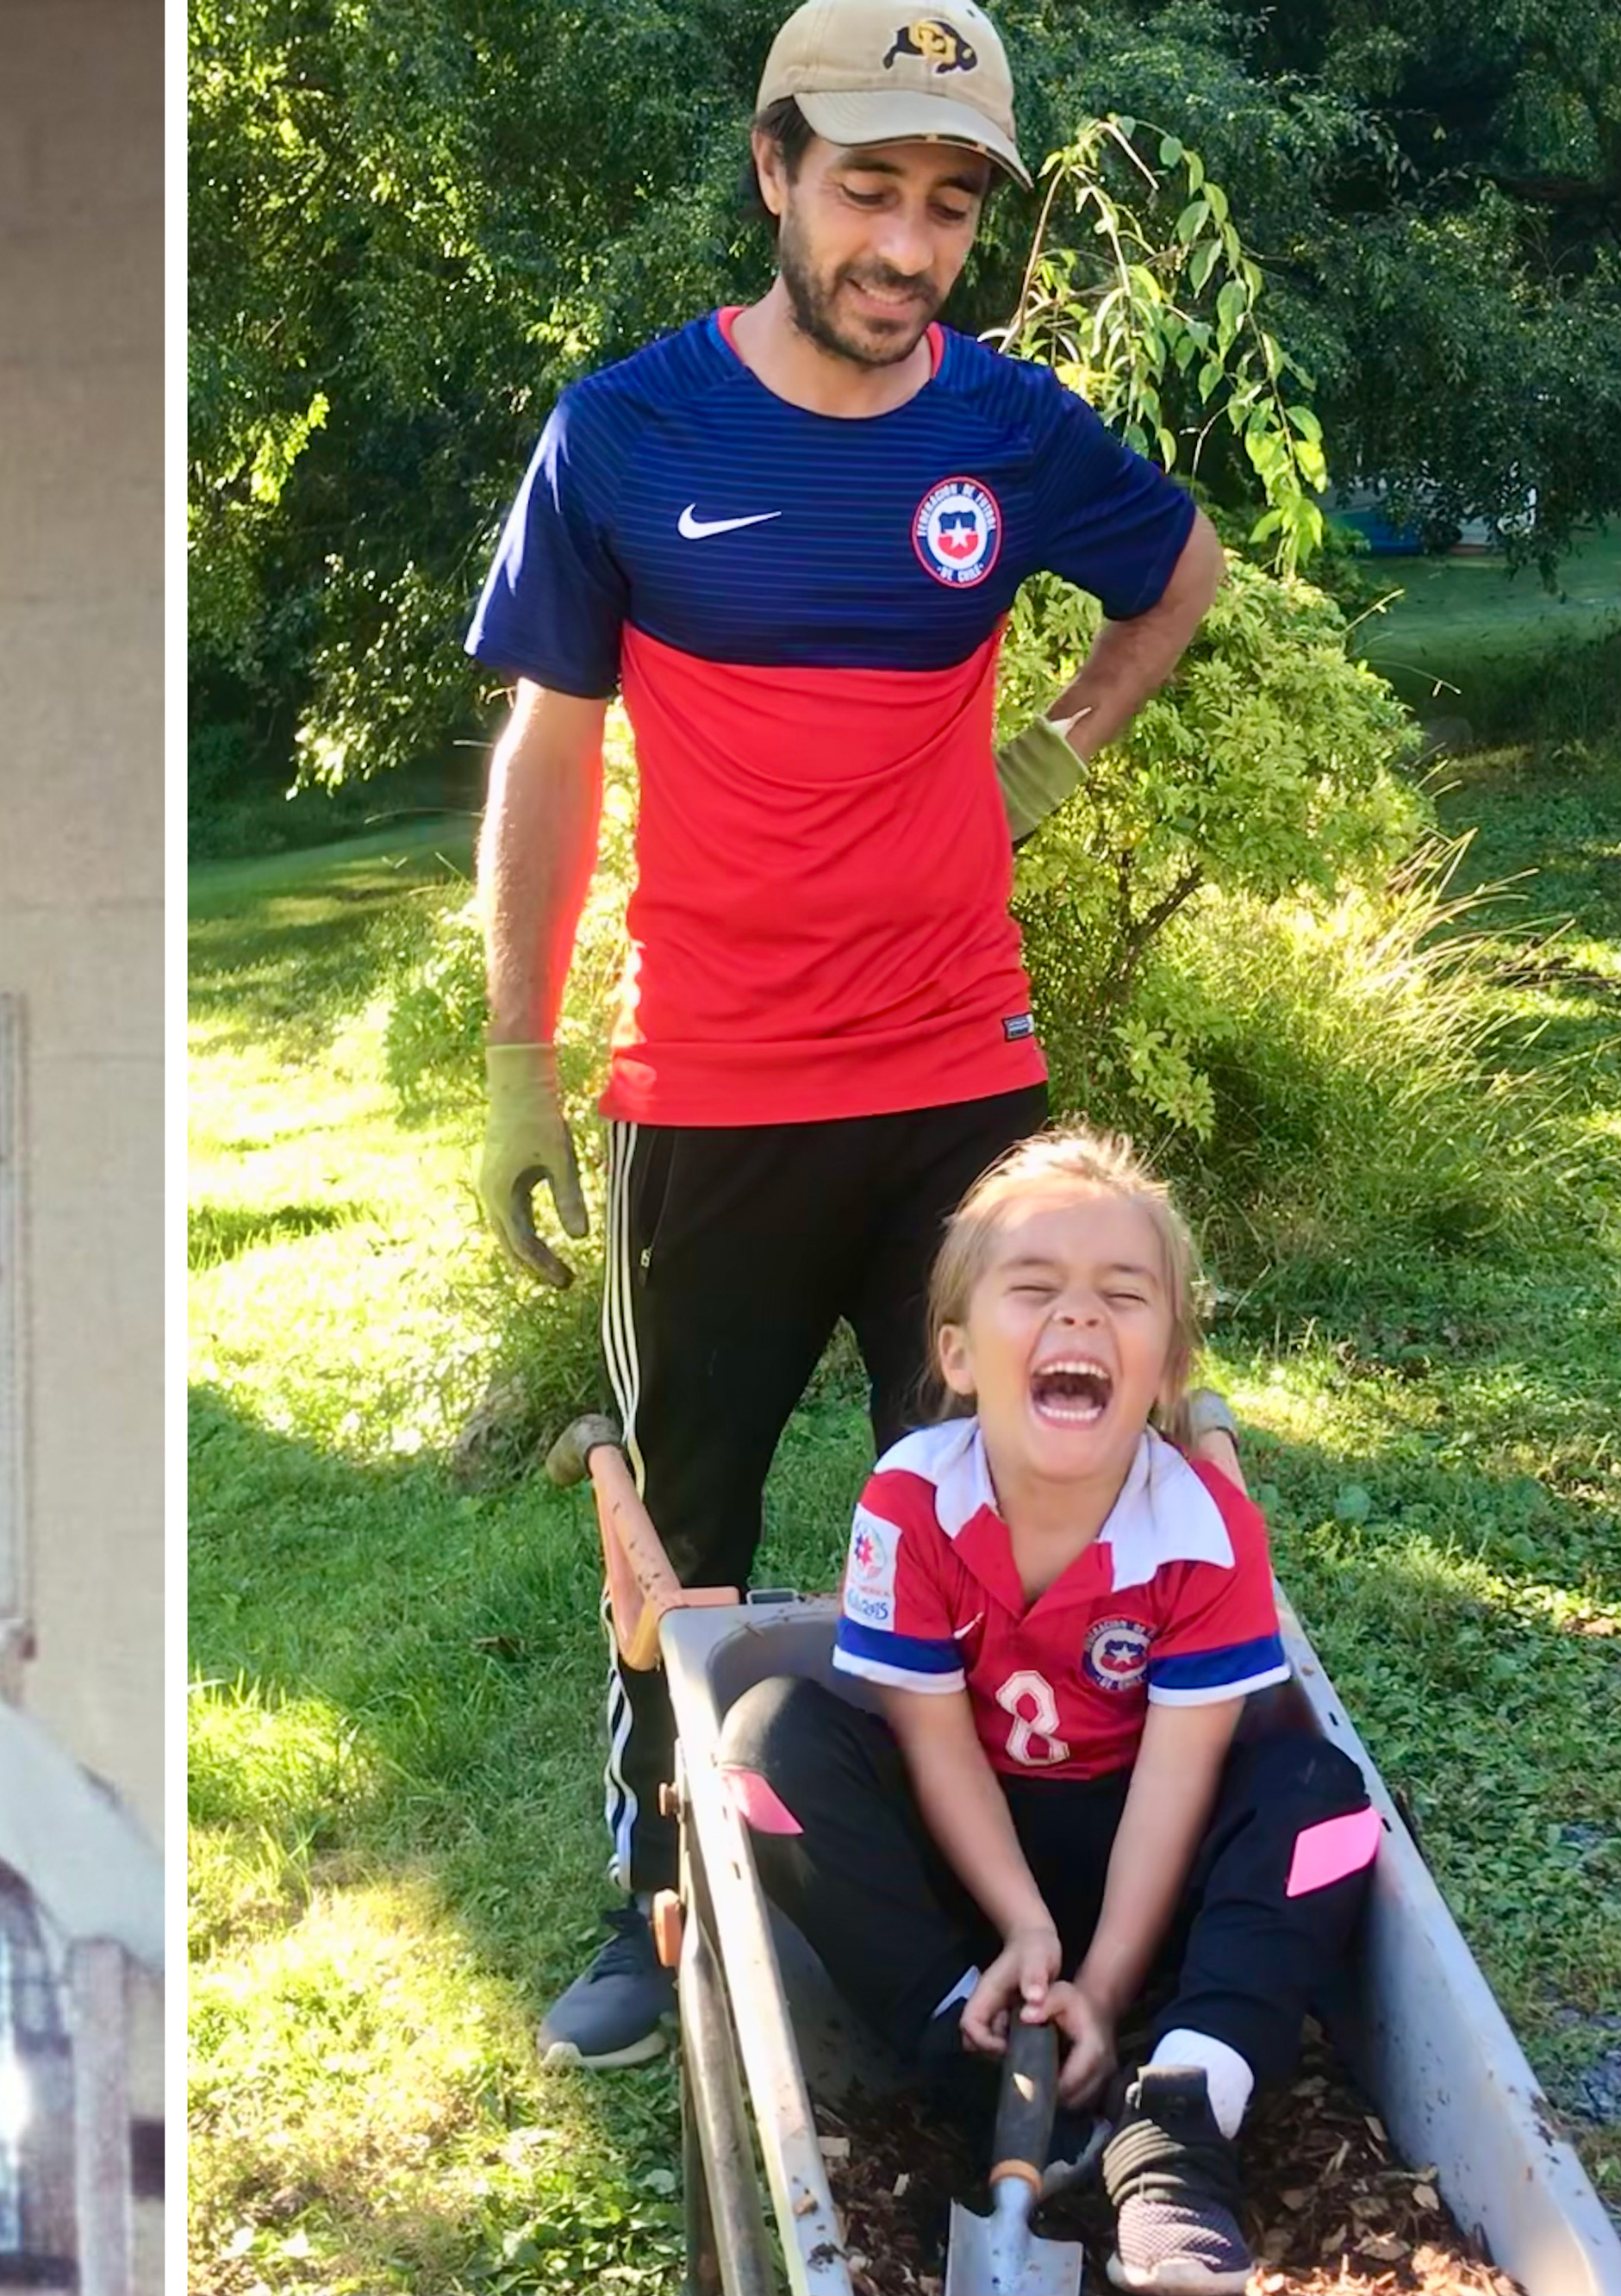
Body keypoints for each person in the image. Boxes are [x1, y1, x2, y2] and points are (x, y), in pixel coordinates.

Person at [465, 0, 1228, 2069]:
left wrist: (1056, 753)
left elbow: (1185, 570)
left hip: (966, 1088)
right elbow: (549, 739)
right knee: (681, 1527)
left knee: (1003, 1505)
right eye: (871, 190)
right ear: (777, 171)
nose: (907, 246)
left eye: (950, 205)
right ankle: (661, 1883)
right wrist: (517, 1058)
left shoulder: (1006, 424)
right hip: (706, 1091)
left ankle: (974, 1895)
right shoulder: (621, 434)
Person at [715, 1129, 1376, 2293]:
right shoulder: (911, 1498)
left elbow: (1179, 1780)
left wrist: (1109, 1980)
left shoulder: (1206, 1530)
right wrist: (1022, 1935)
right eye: (1036, 1289)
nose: (1080, 1317)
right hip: (971, 1881)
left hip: (1147, 1874)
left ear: (1166, 1366)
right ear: (960, 1355)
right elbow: (935, 1740)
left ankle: (1176, 2112)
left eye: (1124, 1296)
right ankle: (977, 2063)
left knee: (1326, 1805)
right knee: (767, 1747)